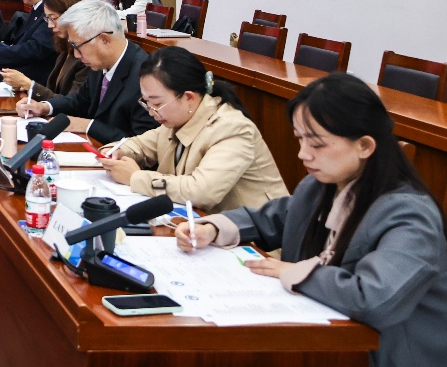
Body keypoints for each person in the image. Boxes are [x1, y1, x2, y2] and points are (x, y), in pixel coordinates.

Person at [175, 72, 447, 366]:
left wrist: (297, 273)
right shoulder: (321, 186)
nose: (303, 154)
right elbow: (273, 217)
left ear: (365, 146)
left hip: (385, 355)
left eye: (317, 144)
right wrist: (212, 228)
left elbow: (373, 299)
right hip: (322, 339)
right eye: (300, 139)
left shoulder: (410, 215)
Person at [100, 47, 288, 211]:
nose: (150, 111)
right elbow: (141, 144)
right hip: (206, 226)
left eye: (156, 103)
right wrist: (117, 151)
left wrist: (136, 177)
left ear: (189, 97)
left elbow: (202, 191)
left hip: (254, 236)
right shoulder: (176, 118)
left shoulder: (232, 128)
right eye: (146, 102)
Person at [17, 0, 157, 143]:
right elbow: (80, 100)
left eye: (78, 46)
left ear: (104, 39)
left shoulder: (146, 76)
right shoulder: (101, 62)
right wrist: (44, 107)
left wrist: (88, 126)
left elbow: (142, 142)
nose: (76, 55)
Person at [0, 0, 88, 101]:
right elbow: (53, 92)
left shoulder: (87, 54)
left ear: (71, 15)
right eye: (47, 19)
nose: (50, 25)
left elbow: (73, 104)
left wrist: (29, 85)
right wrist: (26, 87)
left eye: (53, 18)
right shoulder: (63, 44)